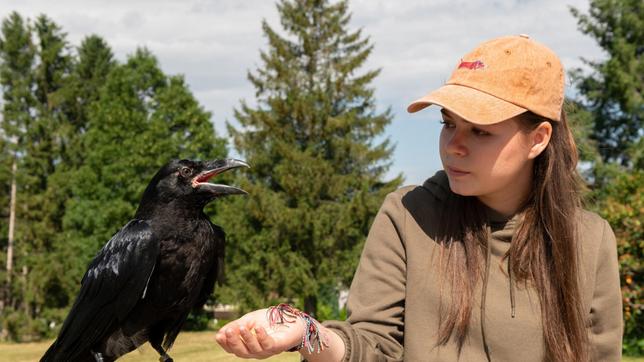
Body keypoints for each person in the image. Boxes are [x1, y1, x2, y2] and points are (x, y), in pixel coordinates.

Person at [214, 35, 623, 361]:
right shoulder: (408, 215)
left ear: (538, 139)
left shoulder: (590, 239)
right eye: (448, 124)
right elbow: (374, 346)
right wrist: (306, 333)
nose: (453, 146)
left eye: (480, 130)